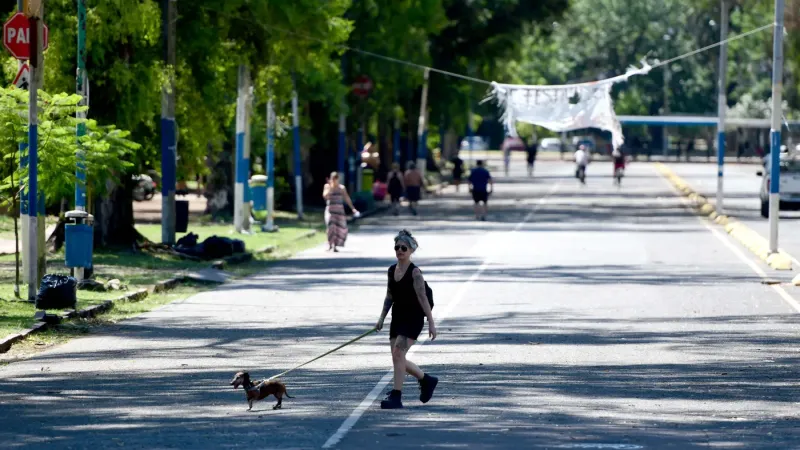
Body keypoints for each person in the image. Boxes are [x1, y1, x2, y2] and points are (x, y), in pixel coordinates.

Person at [376, 229, 438, 409]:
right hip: (398, 316)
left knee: (398, 354)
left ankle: (396, 396)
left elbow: (423, 298)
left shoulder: (415, 273)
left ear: (411, 250)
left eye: (404, 247)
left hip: (413, 318)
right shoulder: (391, 270)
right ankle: (426, 380)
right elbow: (389, 296)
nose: (400, 250)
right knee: (398, 358)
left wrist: (431, 323)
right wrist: (381, 318)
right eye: (397, 247)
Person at [322, 172, 358, 252]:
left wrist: (353, 208)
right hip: (330, 210)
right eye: (333, 179)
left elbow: (347, 198)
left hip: (339, 211)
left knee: (339, 228)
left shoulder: (341, 188)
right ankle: (329, 244)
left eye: (336, 179)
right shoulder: (327, 187)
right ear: (331, 179)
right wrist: (331, 188)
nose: (335, 181)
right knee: (330, 227)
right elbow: (325, 196)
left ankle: (335, 246)